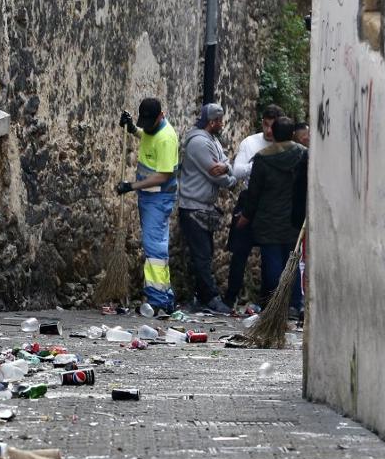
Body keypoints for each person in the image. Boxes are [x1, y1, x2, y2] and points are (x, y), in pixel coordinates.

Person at [116, 97, 179, 314]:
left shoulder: (167, 139)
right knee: (154, 244)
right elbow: (146, 137)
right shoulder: (153, 131)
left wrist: (131, 186)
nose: (147, 126)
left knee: (154, 248)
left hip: (158, 198)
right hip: (149, 198)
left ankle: (159, 298)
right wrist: (133, 128)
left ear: (161, 116)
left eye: (148, 122)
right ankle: (164, 296)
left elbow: (162, 175)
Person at [239, 117, 306, 318]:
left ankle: (276, 304)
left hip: (267, 218)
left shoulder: (262, 159)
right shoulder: (303, 156)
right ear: (293, 134)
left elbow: (254, 192)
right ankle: (295, 304)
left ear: (273, 134)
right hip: (294, 217)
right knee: (292, 261)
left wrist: (246, 216)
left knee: (273, 262)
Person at [176, 103, 236, 315]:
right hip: (193, 207)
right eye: (219, 120)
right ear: (212, 122)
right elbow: (215, 173)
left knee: (205, 254)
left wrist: (227, 168)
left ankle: (201, 297)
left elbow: (224, 163)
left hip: (203, 207)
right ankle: (210, 297)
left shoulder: (213, 141)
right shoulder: (200, 143)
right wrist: (229, 174)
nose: (221, 124)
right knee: (201, 255)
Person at [224, 104, 283, 310]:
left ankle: (267, 303)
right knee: (240, 251)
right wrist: (259, 165)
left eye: (272, 126)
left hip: (271, 201)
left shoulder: (284, 145)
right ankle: (230, 297)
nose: (268, 131)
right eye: (265, 125)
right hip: (250, 198)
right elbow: (237, 171)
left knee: (271, 253)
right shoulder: (250, 143)